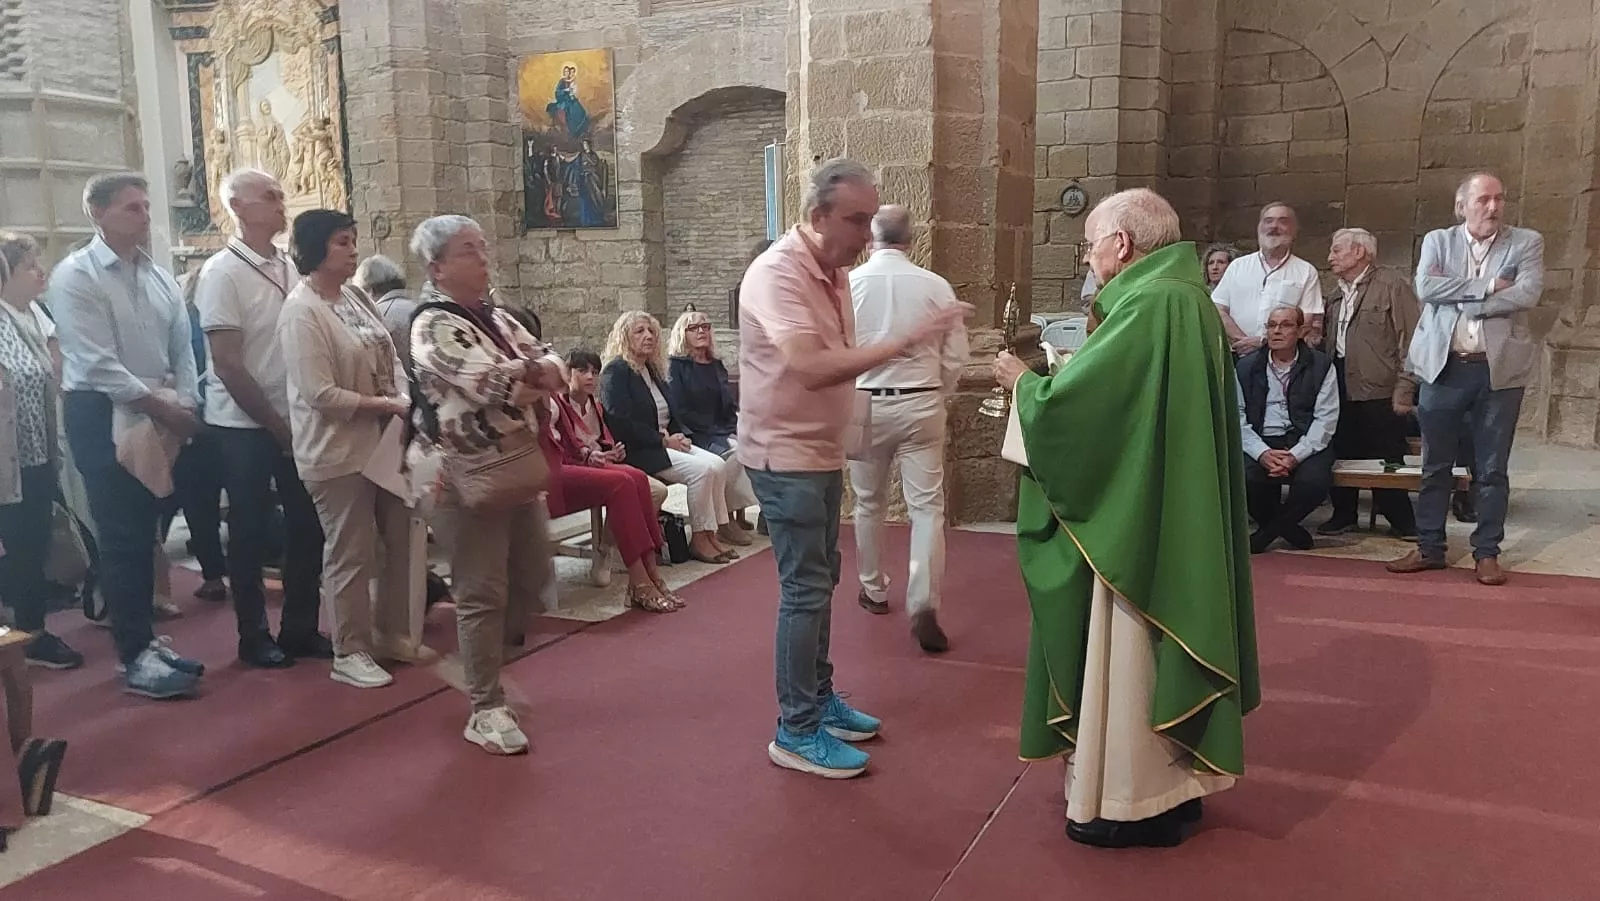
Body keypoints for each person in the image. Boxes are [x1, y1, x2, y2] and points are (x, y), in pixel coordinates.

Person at [993, 187, 1259, 848]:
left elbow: (1080, 414)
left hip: (1142, 520)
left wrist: (1023, 384)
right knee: (1151, 649)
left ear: (1121, 243)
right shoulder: (1182, 295)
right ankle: (1174, 788)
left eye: (1090, 244)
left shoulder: (1149, 302)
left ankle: (1128, 798)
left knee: (1132, 645)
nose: (1088, 257)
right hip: (1168, 504)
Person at [739, 158, 966, 779]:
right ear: (817, 217)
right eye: (857, 220)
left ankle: (820, 697)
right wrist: (906, 341)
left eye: (871, 220)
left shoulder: (833, 270)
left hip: (818, 447)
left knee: (823, 579)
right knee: (804, 589)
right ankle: (796, 728)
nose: (868, 236)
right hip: (783, 455)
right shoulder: (778, 274)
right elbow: (811, 366)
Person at [406, 214, 561, 756]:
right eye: (469, 250)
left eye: (482, 246)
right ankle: (485, 706)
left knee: (533, 574)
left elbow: (551, 363)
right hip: (461, 473)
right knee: (481, 590)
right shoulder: (431, 325)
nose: (484, 256)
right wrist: (527, 374)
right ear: (437, 267)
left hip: (512, 462)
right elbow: (493, 384)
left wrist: (531, 373)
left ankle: (482, 666)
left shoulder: (493, 315)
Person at [52, 172, 205, 699]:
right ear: (97, 213)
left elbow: (182, 345)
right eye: (131, 208)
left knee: (148, 536)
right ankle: (134, 655)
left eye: (145, 206)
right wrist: (167, 407)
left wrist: (185, 400)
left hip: (161, 410)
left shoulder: (157, 275)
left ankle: (145, 638)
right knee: (121, 537)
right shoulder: (77, 276)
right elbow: (97, 365)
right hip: (103, 412)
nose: (145, 216)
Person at [195, 169, 330, 667]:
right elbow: (227, 363)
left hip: (295, 418)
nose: (281, 203)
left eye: (280, 194)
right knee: (249, 530)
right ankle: (253, 635)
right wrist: (275, 424)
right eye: (269, 197)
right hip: (243, 425)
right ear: (238, 206)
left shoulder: (290, 268)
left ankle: (299, 627)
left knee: (305, 525)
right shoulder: (221, 273)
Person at [280, 209, 418, 689]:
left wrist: (400, 395)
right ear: (316, 247)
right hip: (337, 452)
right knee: (350, 553)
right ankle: (350, 650)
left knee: (401, 540)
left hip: (385, 440)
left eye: (353, 240)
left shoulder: (356, 296)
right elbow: (319, 394)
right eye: (343, 242)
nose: (353, 249)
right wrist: (386, 403)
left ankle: (390, 633)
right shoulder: (301, 311)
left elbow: (389, 355)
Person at [1388, 171, 1543, 586]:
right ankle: (1429, 546)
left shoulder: (1525, 242)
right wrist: (1489, 287)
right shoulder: (1438, 240)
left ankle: (1487, 552)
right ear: (1462, 206)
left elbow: (1527, 294)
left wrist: (1468, 303)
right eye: (1483, 200)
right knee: (1434, 466)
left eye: (1499, 198)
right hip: (1444, 367)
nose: (1493, 207)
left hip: (1498, 371)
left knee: (1492, 468)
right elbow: (1427, 287)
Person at [847, 204, 968, 654]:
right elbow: (956, 353)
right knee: (926, 509)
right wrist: (941, 390)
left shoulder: (851, 285)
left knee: (867, 502)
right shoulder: (935, 285)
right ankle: (923, 603)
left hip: (865, 401)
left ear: (870, 238)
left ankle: (873, 587)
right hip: (920, 399)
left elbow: (838, 349)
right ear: (911, 239)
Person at [0, 231, 83, 668]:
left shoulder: (30, 314)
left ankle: (31, 632)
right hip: (4, 463)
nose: (41, 271)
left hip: (34, 456)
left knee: (30, 548)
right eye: (30, 265)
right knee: (14, 549)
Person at [601, 311, 741, 563]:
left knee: (717, 465)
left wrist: (679, 434)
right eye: (640, 331)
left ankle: (713, 532)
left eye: (652, 331)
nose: (648, 336)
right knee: (702, 471)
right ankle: (699, 537)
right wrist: (663, 440)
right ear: (624, 337)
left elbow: (671, 411)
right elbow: (620, 421)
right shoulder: (616, 372)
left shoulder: (651, 369)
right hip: (641, 450)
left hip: (666, 442)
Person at [1318, 228, 1419, 537]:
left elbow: (1414, 336)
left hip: (1380, 386)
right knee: (1342, 452)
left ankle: (1401, 519)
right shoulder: (1335, 294)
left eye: (1337, 250)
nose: (1330, 257)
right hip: (1339, 383)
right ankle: (1344, 513)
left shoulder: (1391, 286)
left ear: (1359, 252)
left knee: (1386, 454)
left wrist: (1406, 383)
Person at [546, 388, 678, 611]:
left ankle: (652, 571)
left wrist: (590, 454)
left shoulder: (558, 392)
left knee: (636, 477)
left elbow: (570, 439)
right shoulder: (526, 380)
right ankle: (638, 580)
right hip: (543, 469)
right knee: (622, 483)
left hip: (567, 461)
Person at [1236, 306, 1339, 553]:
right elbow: (1237, 418)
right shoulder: (1246, 367)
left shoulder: (1321, 365)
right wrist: (1262, 453)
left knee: (1314, 483)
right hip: (1261, 437)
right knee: (1246, 479)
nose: (1277, 331)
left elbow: (1325, 420)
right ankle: (1288, 528)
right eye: (1272, 325)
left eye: (1285, 325)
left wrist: (1295, 455)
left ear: (1301, 331)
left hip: (1303, 437)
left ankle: (1268, 533)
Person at [666, 307, 755, 537]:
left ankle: (741, 513)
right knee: (734, 455)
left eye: (705, 326)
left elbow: (726, 404)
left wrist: (734, 429)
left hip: (720, 428)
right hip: (695, 432)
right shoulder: (677, 367)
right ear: (682, 334)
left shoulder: (716, 365)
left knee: (751, 446)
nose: (701, 331)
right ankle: (724, 521)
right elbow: (679, 409)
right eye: (694, 327)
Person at [563, 347, 667, 512]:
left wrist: (615, 452)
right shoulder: (560, 406)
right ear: (567, 374)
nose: (590, 377)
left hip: (602, 465)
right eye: (583, 371)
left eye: (595, 372)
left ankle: (631, 537)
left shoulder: (597, 406)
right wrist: (592, 456)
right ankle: (626, 538)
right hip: (576, 469)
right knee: (637, 487)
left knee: (651, 488)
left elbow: (603, 441)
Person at [1211, 202, 1325, 351]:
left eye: (1283, 221)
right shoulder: (1237, 266)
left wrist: (1264, 342)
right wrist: (1243, 341)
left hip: (1282, 357)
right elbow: (1218, 308)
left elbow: (1307, 320)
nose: (1274, 226)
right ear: (1259, 227)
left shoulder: (1306, 271)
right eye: (1268, 221)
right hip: (1238, 353)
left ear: (1294, 230)